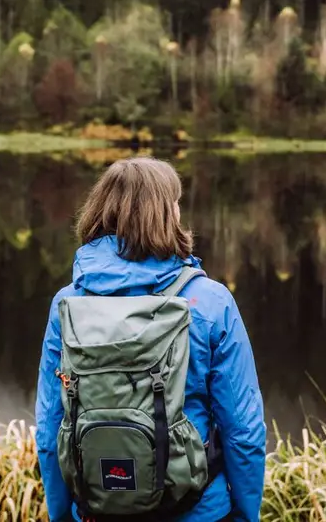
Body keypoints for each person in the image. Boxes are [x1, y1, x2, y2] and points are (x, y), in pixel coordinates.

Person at [35, 157, 266, 522]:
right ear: (167, 214)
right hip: (196, 509)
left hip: (97, 509)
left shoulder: (67, 304)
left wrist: (63, 513)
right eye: (175, 202)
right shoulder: (209, 301)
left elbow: (51, 428)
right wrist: (245, 513)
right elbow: (244, 431)